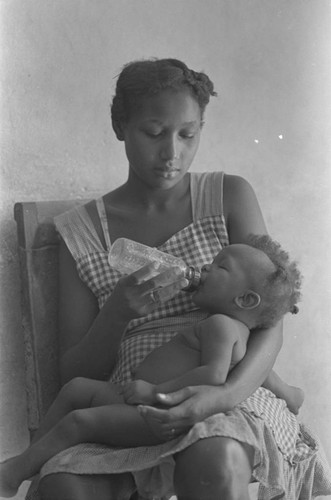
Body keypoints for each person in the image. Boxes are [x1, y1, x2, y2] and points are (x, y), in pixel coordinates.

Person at [23, 58, 331, 500]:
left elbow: (270, 317)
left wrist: (222, 396)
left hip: (230, 387)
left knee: (215, 455)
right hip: (133, 396)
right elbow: (74, 373)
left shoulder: (228, 196)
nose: (172, 154)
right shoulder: (81, 233)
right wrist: (117, 314)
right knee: (63, 489)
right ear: (119, 126)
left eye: (188, 135)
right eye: (153, 133)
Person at [0, 234, 304, 497]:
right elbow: (263, 376)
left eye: (222, 266)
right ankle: (31, 459)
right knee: (77, 388)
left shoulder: (220, 326)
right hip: (139, 397)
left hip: (156, 410)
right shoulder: (238, 333)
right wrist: (289, 394)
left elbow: (214, 376)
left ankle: (16, 473)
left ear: (246, 299)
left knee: (79, 421)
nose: (207, 266)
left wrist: (155, 392)